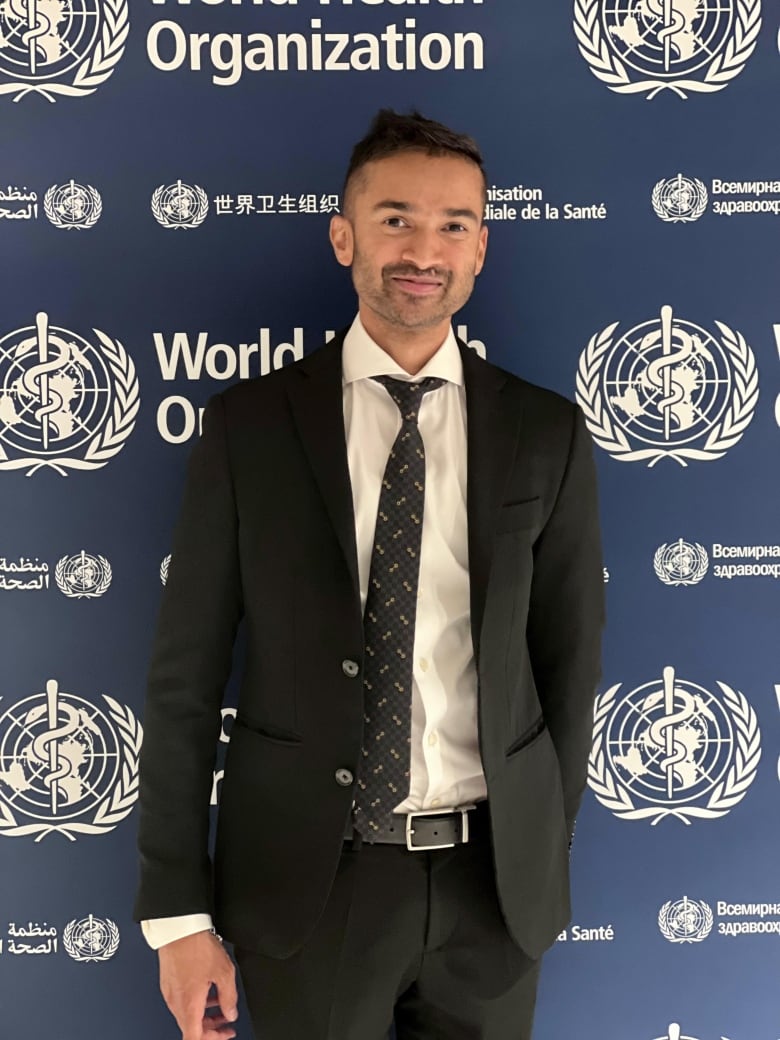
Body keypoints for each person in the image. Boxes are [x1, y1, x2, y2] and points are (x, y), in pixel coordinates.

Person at [134, 108, 605, 1040]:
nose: (423, 249)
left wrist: (540, 849)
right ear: (343, 235)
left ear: (481, 249)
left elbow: (569, 667)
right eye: (395, 219)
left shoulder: (545, 433)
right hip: (311, 889)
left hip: (492, 896)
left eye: (453, 225)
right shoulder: (251, 430)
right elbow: (185, 683)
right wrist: (179, 919)